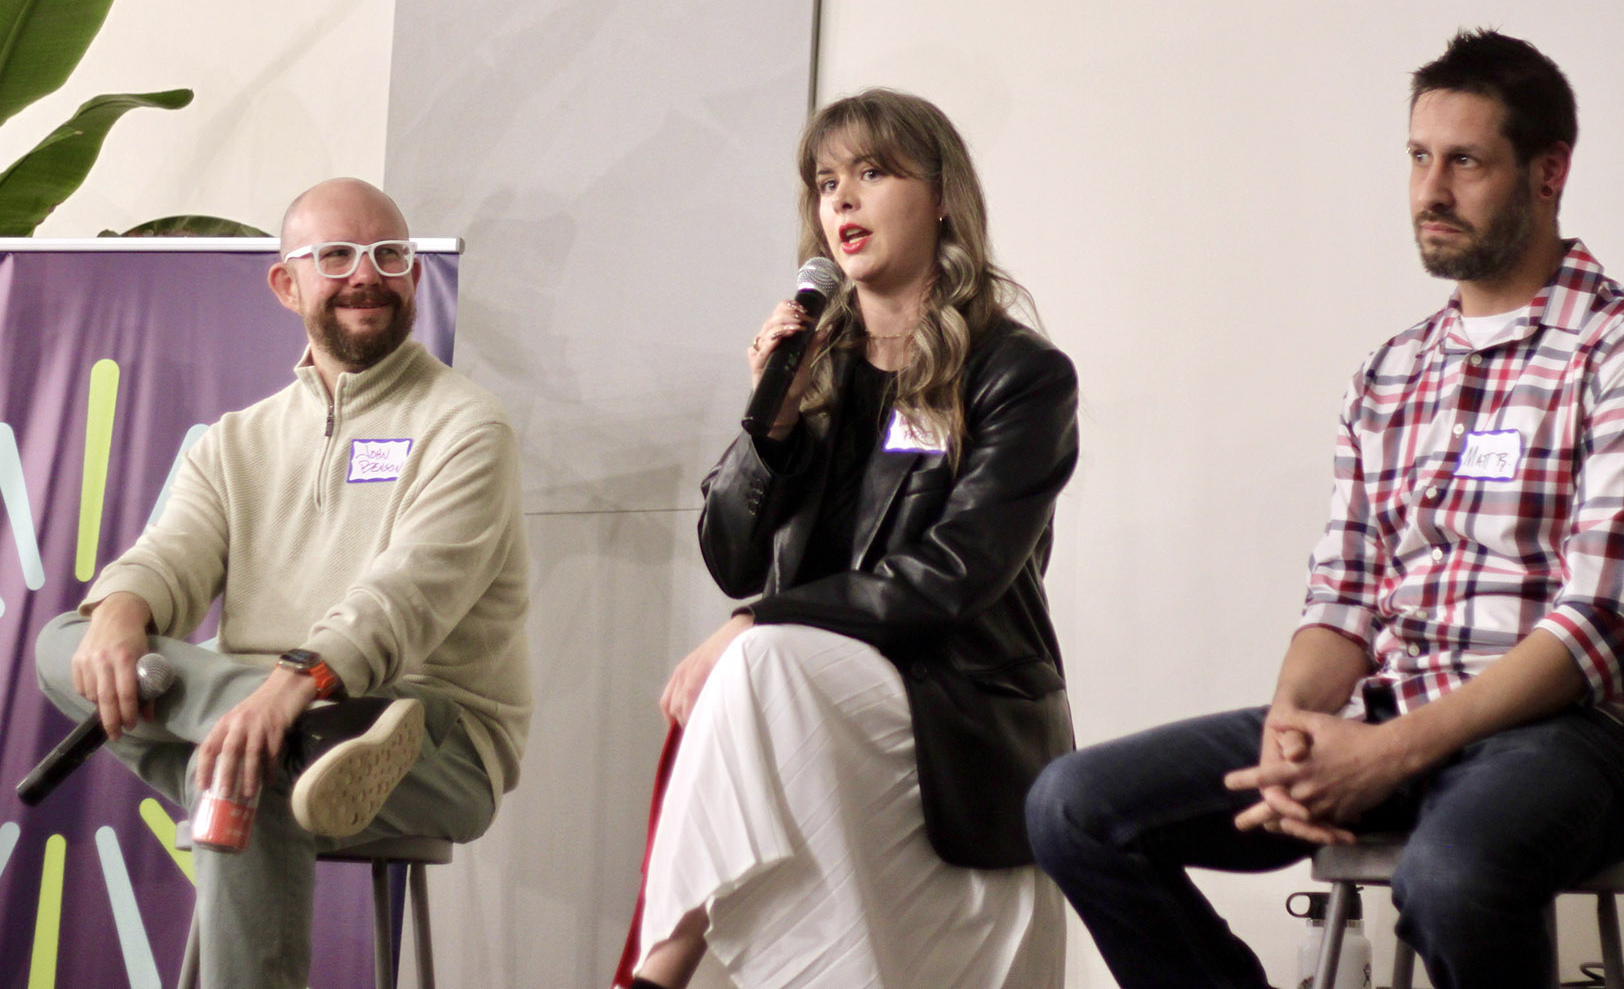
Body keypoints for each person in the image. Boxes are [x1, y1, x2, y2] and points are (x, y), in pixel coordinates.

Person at [1026, 29, 1624, 989]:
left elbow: (1593, 624)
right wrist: (1294, 725)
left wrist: (1387, 753)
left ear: (1549, 171)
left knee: (1451, 878)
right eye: (1419, 157)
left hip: (1561, 738)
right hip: (1389, 712)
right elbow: (1343, 598)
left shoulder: (1610, 350)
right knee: (1071, 806)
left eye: (1465, 162)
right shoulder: (1392, 371)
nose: (1430, 191)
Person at [624, 89, 1079, 989]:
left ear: (941, 197)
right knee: (764, 668)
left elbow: (953, 576)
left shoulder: (1019, 374)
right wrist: (771, 429)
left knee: (760, 661)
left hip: (956, 714)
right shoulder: (816, 372)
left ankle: (652, 975)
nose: (843, 200)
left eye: (872, 172)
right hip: (814, 712)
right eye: (827, 182)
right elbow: (731, 558)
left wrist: (757, 623)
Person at [32, 178, 531, 989]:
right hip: (284, 718)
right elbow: (169, 556)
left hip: (429, 734)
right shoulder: (235, 440)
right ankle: (282, 735)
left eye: (388, 255)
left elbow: (404, 596)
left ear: (413, 276)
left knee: (241, 768)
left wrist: (293, 688)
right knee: (68, 643)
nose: (365, 274)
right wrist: (123, 610)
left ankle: (274, 734)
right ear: (285, 283)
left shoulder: (467, 425)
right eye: (335, 255)